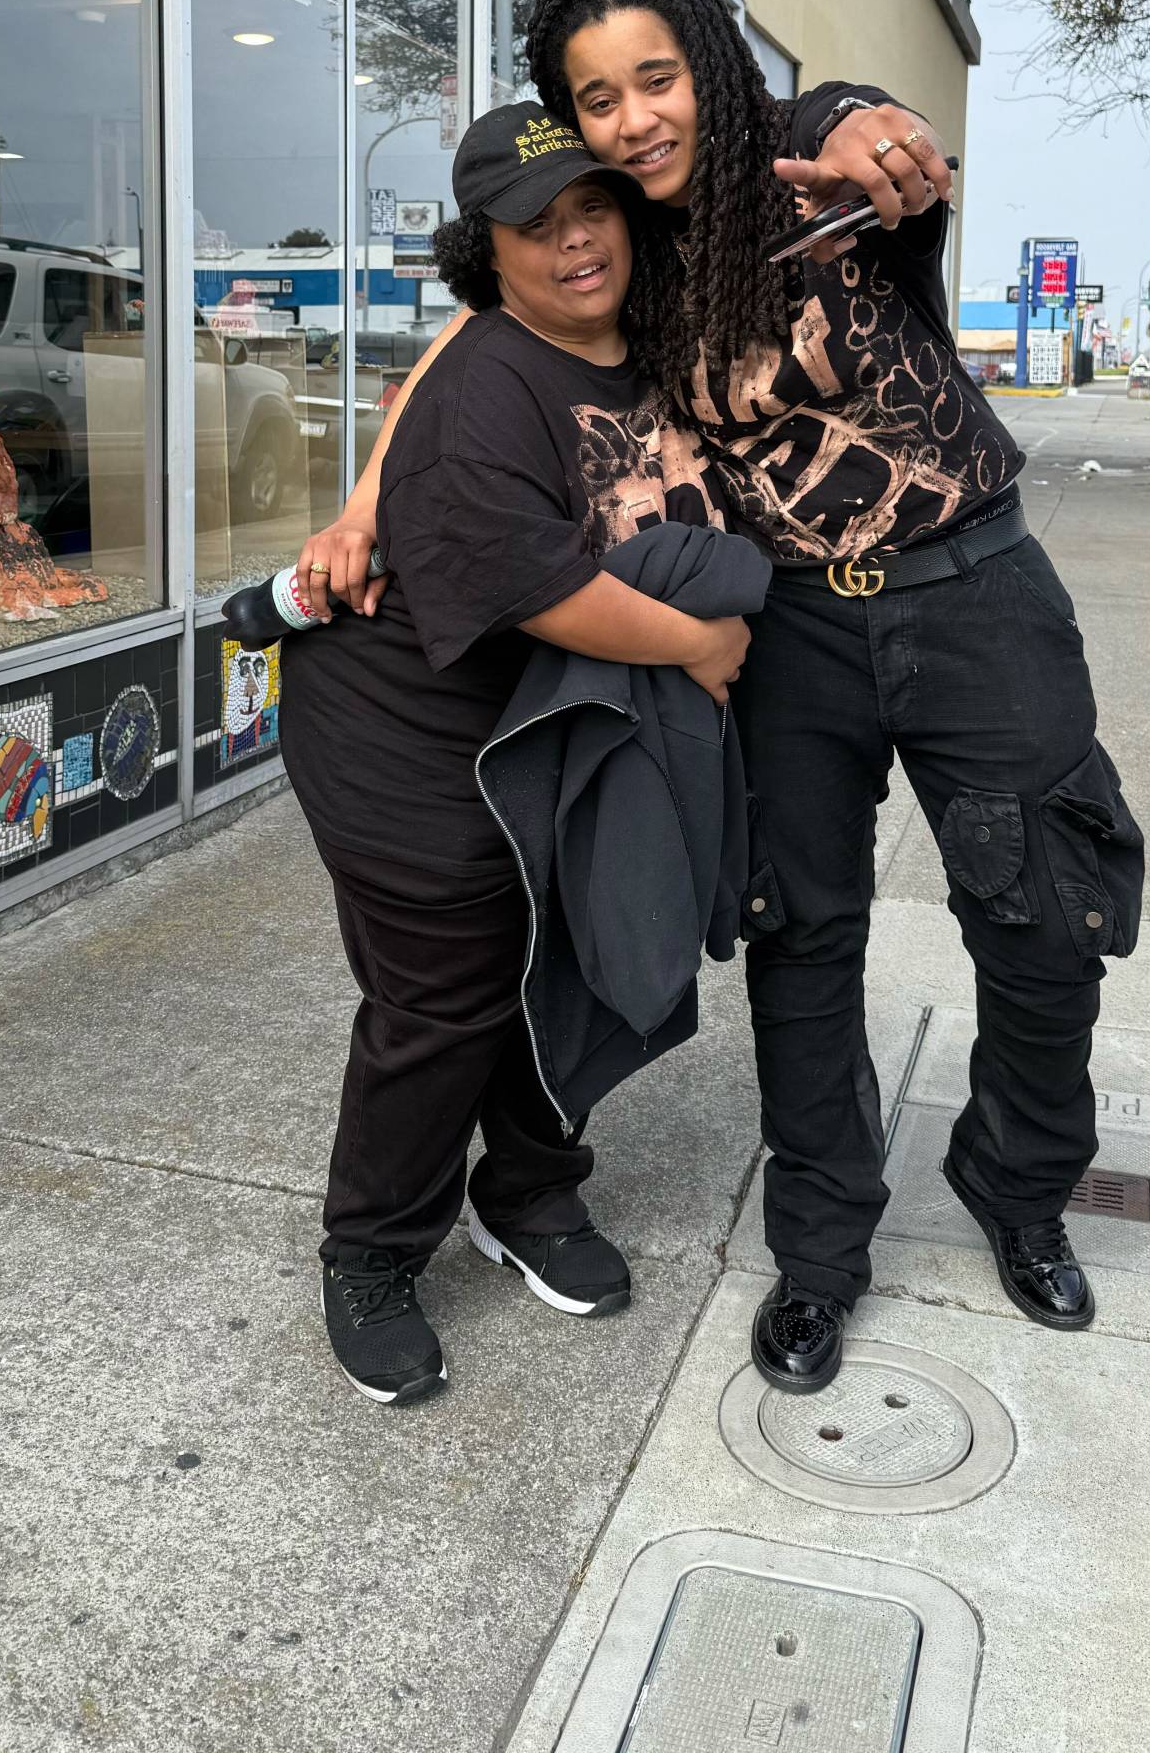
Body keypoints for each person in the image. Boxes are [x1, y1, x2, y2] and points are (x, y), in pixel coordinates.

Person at [516, 0, 1145, 1394]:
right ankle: (822, 1252)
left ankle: (1021, 1183)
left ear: (707, 69)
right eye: (599, 98)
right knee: (802, 940)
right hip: (791, 631)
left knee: (1045, 914)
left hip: (975, 590)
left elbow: (859, 125)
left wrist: (873, 120)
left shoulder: (814, 175)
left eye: (657, 77)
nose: (637, 118)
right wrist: (367, 498)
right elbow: (488, 323)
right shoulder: (611, 252)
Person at [277, 102, 747, 1406]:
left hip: (532, 719)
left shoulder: (640, 339)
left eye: (592, 207)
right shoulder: (494, 379)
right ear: (489, 251)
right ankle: (369, 1252)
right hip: (395, 718)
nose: (575, 241)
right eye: (536, 227)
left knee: (567, 943)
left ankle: (526, 1195)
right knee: (449, 985)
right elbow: (548, 593)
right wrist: (701, 651)